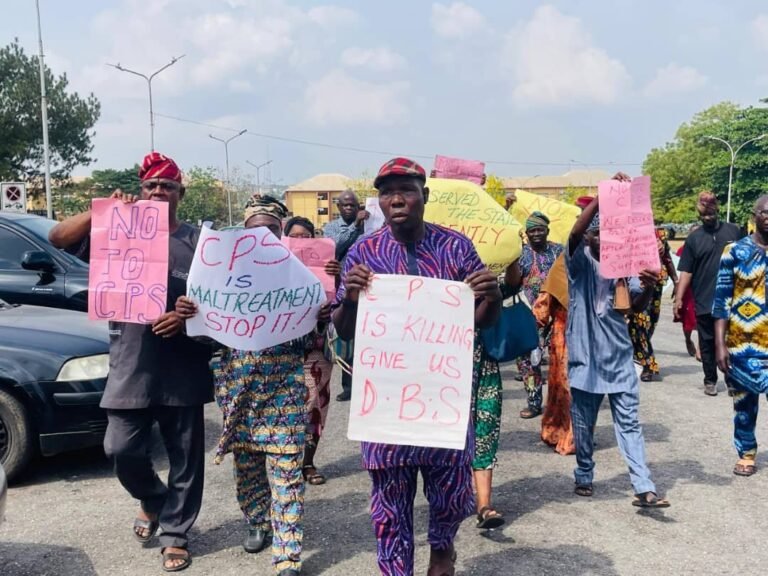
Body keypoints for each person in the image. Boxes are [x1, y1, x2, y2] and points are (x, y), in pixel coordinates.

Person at [332, 157, 502, 576]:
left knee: (450, 496)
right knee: (389, 510)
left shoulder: (456, 247)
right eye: (387, 192)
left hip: (440, 401)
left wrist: (491, 295)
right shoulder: (364, 252)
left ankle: (443, 547)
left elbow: (476, 323)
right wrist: (351, 299)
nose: (396, 199)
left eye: (406, 190)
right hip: (385, 408)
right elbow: (344, 329)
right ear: (380, 201)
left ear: (424, 196)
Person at [48, 152, 213, 572]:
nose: (158, 193)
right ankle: (153, 499)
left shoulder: (198, 243)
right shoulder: (115, 231)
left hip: (182, 367)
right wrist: (100, 211)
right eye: (150, 187)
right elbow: (57, 238)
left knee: (185, 459)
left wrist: (185, 316)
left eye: (168, 187)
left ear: (181, 193)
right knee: (120, 448)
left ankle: (176, 534)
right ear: (141, 190)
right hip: (131, 364)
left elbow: (221, 303)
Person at [176, 196, 324, 576]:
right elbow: (204, 338)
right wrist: (191, 317)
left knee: (288, 467)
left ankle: (288, 555)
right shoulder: (219, 273)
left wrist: (323, 312)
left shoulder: (299, 275)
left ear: (282, 233)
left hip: (285, 388)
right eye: (254, 230)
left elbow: (318, 335)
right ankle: (258, 521)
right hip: (238, 388)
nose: (263, 237)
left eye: (271, 230)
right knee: (248, 464)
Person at [567, 181, 670, 508]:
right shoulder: (579, 261)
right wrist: (604, 198)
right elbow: (572, 234)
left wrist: (651, 288)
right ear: (589, 238)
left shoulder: (626, 263)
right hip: (586, 360)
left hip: (619, 358)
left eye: (607, 233)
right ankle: (584, 471)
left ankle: (643, 486)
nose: (602, 239)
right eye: (596, 234)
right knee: (584, 426)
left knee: (629, 423)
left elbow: (635, 308)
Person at [283, 215, 342, 485]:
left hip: (316, 349)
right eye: (296, 236)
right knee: (286, 410)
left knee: (315, 406)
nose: (302, 242)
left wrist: (337, 278)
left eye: (307, 236)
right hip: (283, 351)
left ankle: (307, 462)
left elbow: (340, 305)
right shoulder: (274, 268)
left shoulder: (327, 268)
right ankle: (285, 461)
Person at [713, 195, 768, 477]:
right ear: (754, 214)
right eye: (765, 212)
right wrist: (720, 345)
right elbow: (721, 301)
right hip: (742, 345)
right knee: (744, 405)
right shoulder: (734, 251)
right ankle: (746, 452)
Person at [675, 192, 743, 396]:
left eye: (711, 212)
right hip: (704, 299)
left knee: (731, 341)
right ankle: (710, 379)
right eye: (704, 214)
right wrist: (679, 298)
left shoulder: (734, 231)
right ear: (699, 215)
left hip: (732, 299)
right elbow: (686, 271)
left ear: (717, 210)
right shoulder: (694, 239)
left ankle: (732, 381)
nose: (708, 217)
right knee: (706, 342)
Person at [516, 211, 563, 418]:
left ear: (547, 231)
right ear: (526, 233)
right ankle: (534, 402)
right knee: (527, 361)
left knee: (561, 361)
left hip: (557, 315)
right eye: (532, 230)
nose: (536, 234)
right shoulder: (521, 254)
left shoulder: (559, 252)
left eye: (540, 230)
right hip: (529, 316)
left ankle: (559, 405)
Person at [323, 189, 368, 401]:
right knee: (346, 335)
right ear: (338, 207)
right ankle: (348, 385)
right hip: (343, 287)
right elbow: (334, 247)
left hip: (369, 285)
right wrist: (355, 227)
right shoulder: (331, 227)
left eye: (353, 205)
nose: (349, 208)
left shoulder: (371, 223)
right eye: (345, 205)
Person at [532, 254, 575, 455]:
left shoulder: (600, 266)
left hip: (591, 337)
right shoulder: (561, 267)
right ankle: (560, 433)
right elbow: (543, 305)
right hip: (564, 337)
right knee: (564, 388)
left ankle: (572, 435)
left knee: (577, 389)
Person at [628, 228, 679, 381]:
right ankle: (648, 365)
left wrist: (676, 281)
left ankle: (638, 357)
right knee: (640, 324)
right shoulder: (628, 236)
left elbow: (668, 259)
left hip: (656, 284)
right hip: (638, 284)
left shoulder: (660, 235)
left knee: (650, 325)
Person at [675, 239, 700, 360]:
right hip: (688, 287)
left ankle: (701, 347)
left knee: (704, 317)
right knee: (688, 318)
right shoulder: (684, 249)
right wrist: (678, 290)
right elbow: (681, 270)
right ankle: (688, 339)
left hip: (704, 286)